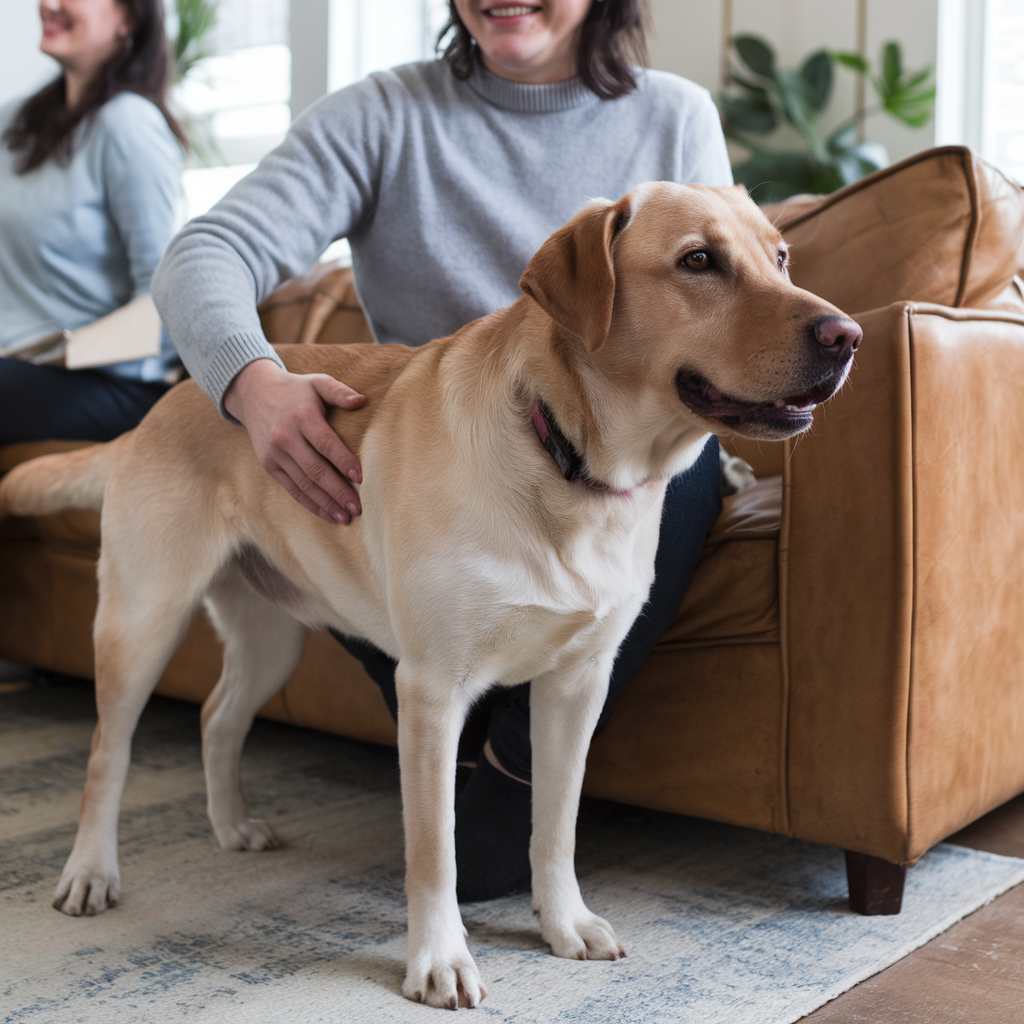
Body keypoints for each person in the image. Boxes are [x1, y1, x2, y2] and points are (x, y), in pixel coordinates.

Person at [152, 0, 730, 901]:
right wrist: (251, 386)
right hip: (439, 482)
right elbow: (206, 250)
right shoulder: (381, 115)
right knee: (401, 499)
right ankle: (457, 722)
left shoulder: (673, 117)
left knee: (679, 460)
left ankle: (513, 768)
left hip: (615, 471)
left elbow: (720, 331)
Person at [0, 0, 184, 446]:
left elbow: (167, 297)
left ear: (128, 19)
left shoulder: (128, 125)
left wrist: (60, 353)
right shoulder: (13, 124)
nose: (50, 4)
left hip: (110, 381)